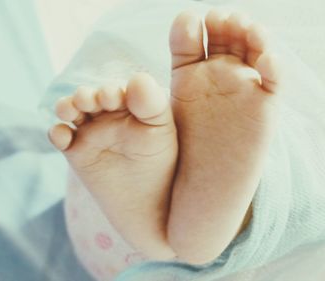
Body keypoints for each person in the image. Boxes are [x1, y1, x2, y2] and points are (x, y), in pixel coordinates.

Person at [48, 9, 281, 280]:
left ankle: (169, 210)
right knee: (264, 213)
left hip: (93, 235)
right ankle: (207, 217)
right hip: (156, 267)